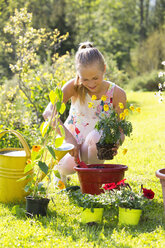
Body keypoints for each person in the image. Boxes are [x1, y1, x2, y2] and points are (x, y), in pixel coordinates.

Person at [43, 41, 126, 183]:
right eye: (85, 79)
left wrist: (116, 142)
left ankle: (92, 182)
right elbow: (48, 112)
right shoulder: (74, 86)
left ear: (104, 69)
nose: (91, 84)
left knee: (94, 138)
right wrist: (69, 139)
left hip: (97, 145)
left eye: (95, 78)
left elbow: (121, 129)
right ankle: (62, 174)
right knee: (65, 167)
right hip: (73, 145)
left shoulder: (117, 93)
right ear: (78, 75)